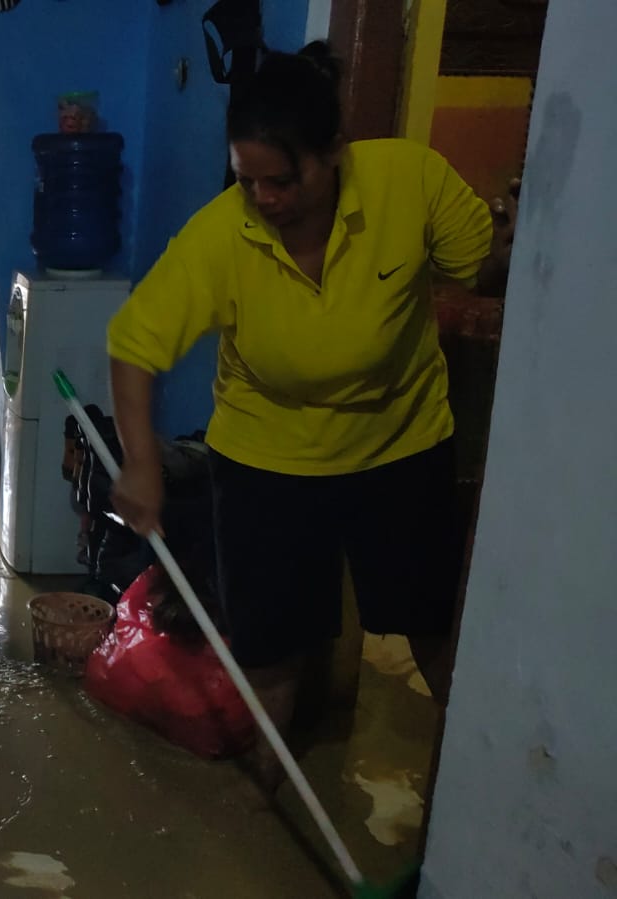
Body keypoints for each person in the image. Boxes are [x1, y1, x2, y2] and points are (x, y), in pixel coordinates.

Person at [104, 42, 515, 785]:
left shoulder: (406, 181)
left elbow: (480, 265)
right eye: (245, 180)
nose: (262, 198)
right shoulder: (221, 235)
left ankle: (474, 798)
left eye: (280, 179)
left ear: (333, 154)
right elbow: (134, 344)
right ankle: (268, 796)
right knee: (270, 646)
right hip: (266, 459)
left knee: (430, 627)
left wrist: (525, 236)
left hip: (400, 444)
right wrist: (138, 459)